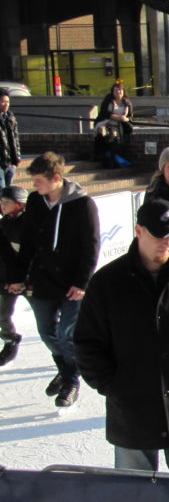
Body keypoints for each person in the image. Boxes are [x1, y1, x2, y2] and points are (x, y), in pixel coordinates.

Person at [74, 199, 169, 474]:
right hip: (132, 411)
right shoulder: (107, 282)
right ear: (138, 231)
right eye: (160, 236)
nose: (167, 243)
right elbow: (87, 344)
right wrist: (113, 386)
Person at [12, 152, 100, 408]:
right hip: (42, 281)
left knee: (66, 334)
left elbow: (91, 246)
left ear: (57, 179)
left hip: (72, 283)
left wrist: (82, 283)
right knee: (47, 333)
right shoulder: (35, 202)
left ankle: (71, 379)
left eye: (39, 180)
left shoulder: (82, 205)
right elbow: (28, 243)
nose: (35, 186)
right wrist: (20, 277)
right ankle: (66, 371)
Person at [0, 186, 27, 365]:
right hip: (9, 279)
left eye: (6, 202)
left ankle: (68, 352)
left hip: (30, 279)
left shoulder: (30, 224)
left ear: (20, 204)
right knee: (3, 313)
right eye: (1, 202)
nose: (2, 205)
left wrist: (22, 280)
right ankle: (10, 338)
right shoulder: (4, 224)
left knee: (49, 322)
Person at [94, 80, 133, 168]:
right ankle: (101, 156)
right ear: (113, 91)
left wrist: (125, 119)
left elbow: (130, 117)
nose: (118, 92)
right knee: (102, 133)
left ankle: (113, 160)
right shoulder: (109, 100)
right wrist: (116, 117)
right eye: (116, 90)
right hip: (106, 123)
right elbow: (104, 113)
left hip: (119, 126)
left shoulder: (127, 103)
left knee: (114, 138)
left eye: (120, 90)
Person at [0, 90, 20, 188]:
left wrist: (17, 158)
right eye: (3, 101)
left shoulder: (10, 117)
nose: (6, 104)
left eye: (8, 101)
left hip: (10, 161)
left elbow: (16, 139)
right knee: (2, 189)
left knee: (8, 192)